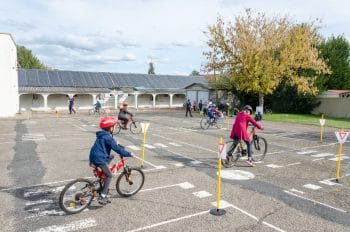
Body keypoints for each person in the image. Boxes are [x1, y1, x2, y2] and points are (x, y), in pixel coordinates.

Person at [89, 116, 135, 205]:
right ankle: (103, 196)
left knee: (112, 156)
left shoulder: (102, 135)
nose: (115, 128)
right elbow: (117, 149)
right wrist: (129, 154)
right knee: (109, 175)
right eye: (114, 126)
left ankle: (103, 174)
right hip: (99, 159)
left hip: (93, 157)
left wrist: (114, 143)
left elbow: (111, 144)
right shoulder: (108, 137)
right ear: (110, 128)